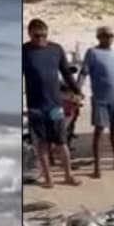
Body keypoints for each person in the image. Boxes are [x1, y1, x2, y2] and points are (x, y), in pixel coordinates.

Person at [22, 18, 82, 187]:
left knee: (61, 141)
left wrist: (77, 90)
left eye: (44, 35)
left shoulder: (56, 49)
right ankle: (48, 178)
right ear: (29, 34)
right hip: (36, 106)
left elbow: (66, 73)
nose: (41, 39)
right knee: (42, 143)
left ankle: (68, 175)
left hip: (55, 105)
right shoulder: (24, 51)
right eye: (37, 36)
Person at [77, 26, 114, 178]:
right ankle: (97, 168)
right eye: (106, 35)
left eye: (111, 35)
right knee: (99, 132)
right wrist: (77, 90)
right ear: (99, 37)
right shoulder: (92, 52)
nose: (109, 38)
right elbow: (83, 72)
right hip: (100, 99)